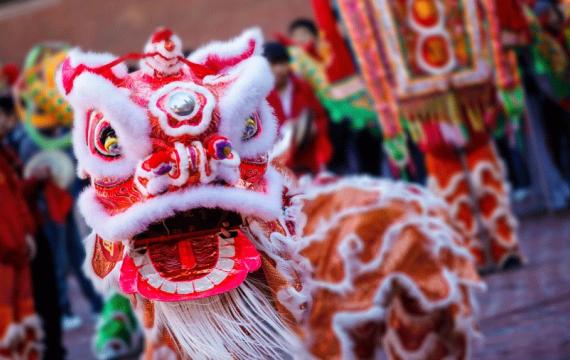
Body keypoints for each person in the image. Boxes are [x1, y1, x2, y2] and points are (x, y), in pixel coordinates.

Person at [264, 41, 332, 174]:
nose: (278, 69)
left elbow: (321, 117)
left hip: (308, 161)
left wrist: (312, 128)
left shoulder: (303, 87)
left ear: (289, 64)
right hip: (275, 165)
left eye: (282, 63)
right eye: (273, 64)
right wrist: (285, 131)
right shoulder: (260, 96)